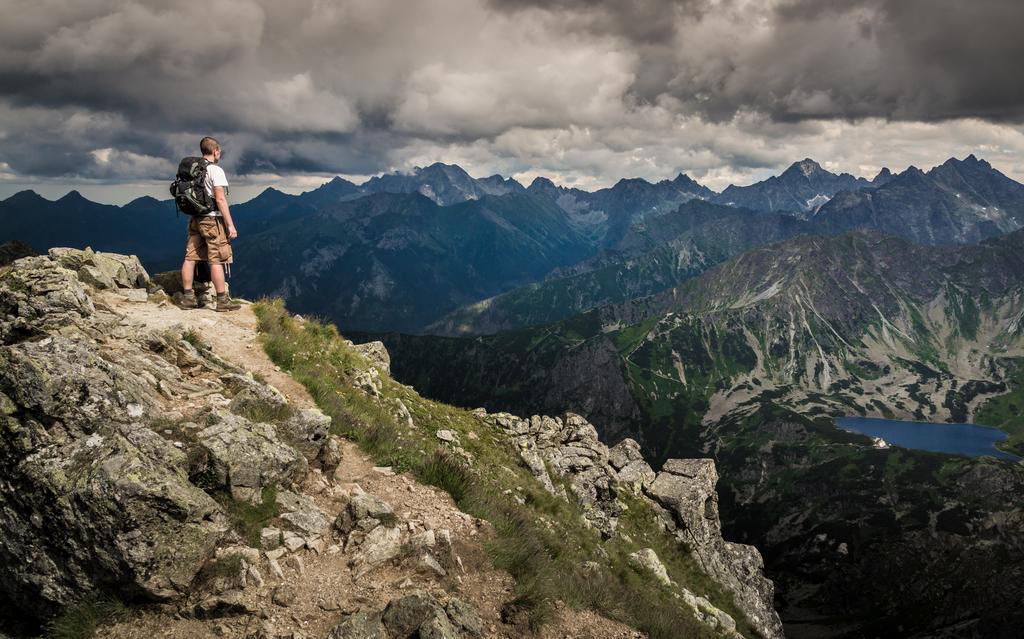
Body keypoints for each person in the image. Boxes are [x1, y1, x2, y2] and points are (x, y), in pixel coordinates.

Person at [180, 136, 240, 311]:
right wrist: (230, 225)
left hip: (195, 218)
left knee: (190, 257)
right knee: (216, 259)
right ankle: (222, 301)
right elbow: (220, 198)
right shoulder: (215, 170)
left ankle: (188, 298)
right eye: (219, 151)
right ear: (216, 151)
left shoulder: (195, 169)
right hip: (211, 220)